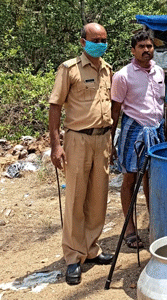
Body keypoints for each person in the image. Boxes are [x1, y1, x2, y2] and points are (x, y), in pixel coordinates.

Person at [48, 22, 114, 285]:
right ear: (83, 42)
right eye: (95, 39)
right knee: (76, 198)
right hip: (77, 140)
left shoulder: (108, 70)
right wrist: (56, 144)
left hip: (103, 140)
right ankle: (74, 257)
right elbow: (55, 106)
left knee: (98, 198)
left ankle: (91, 249)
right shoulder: (69, 69)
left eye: (104, 39)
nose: (100, 43)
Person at [110, 31, 165, 249]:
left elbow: (161, 103)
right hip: (133, 129)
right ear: (133, 50)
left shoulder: (159, 72)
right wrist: (110, 140)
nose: (146, 50)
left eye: (149, 46)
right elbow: (115, 109)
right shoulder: (122, 75)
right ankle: (130, 227)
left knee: (152, 178)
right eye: (141, 46)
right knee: (130, 178)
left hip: (156, 129)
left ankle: (156, 223)